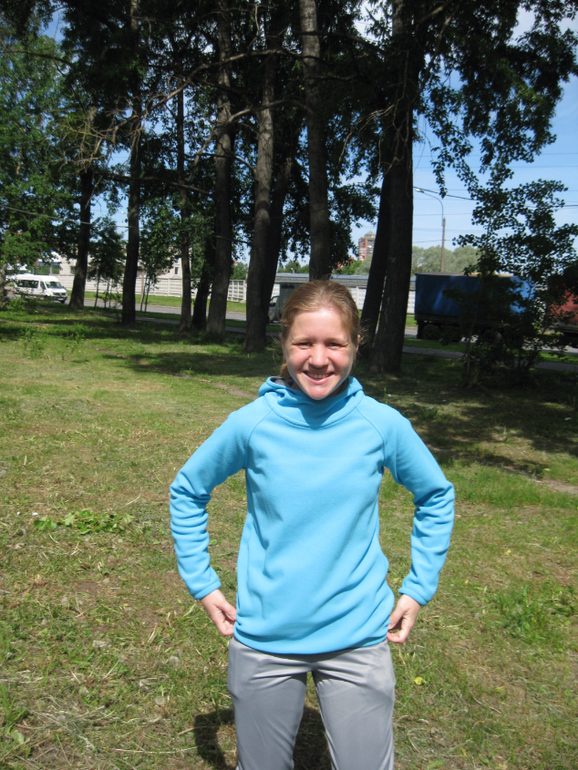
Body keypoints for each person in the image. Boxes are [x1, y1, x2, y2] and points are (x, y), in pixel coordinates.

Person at [170, 280, 455, 770]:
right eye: (304, 343)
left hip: (357, 636)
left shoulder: (381, 424)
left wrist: (418, 587)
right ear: (283, 342)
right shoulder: (252, 423)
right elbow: (188, 490)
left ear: (356, 344)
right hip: (265, 638)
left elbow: (436, 494)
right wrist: (202, 583)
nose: (319, 359)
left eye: (334, 344)